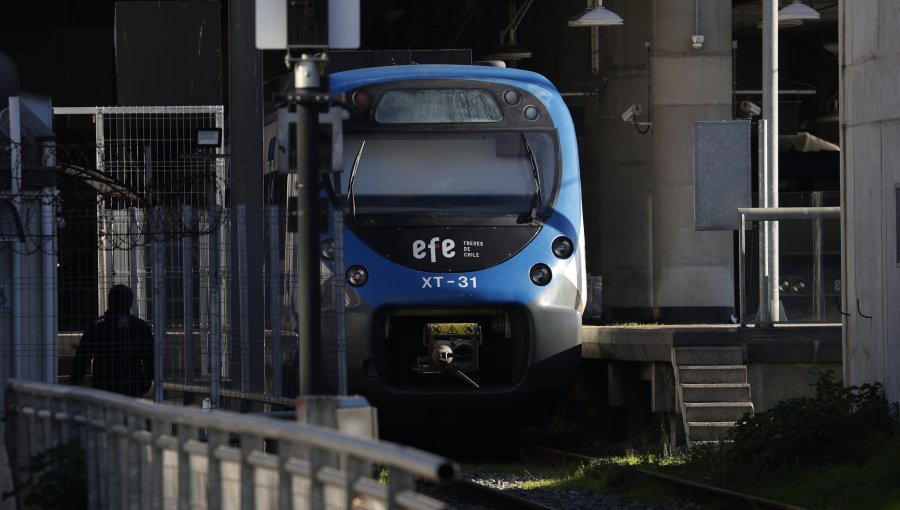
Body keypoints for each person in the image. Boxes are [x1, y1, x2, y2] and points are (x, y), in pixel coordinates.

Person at [70, 285, 155, 397]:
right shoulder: (140, 326)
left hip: (104, 386)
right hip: (131, 386)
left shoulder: (97, 326)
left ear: (109, 301)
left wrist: (74, 384)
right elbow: (150, 360)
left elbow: (82, 358)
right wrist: (144, 384)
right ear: (130, 303)